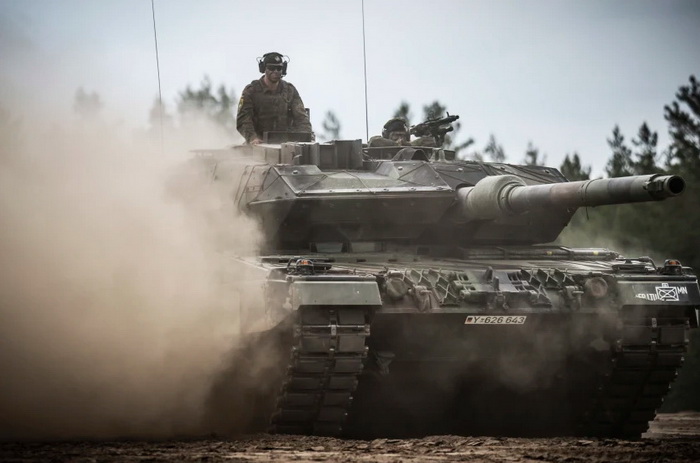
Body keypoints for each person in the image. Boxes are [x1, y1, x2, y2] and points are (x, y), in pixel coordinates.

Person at [236, 52, 313, 144]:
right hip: (258, 142)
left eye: (279, 68)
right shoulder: (251, 91)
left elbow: (301, 118)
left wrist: (306, 137)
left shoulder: (289, 90)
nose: (276, 71)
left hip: (285, 143)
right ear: (264, 69)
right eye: (271, 68)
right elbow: (243, 119)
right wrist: (252, 137)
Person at [368, 117, 437, 148]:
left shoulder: (410, 147)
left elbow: (430, 142)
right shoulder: (381, 145)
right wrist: (396, 145)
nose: (400, 139)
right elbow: (373, 141)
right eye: (396, 135)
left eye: (402, 135)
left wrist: (409, 145)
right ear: (386, 135)